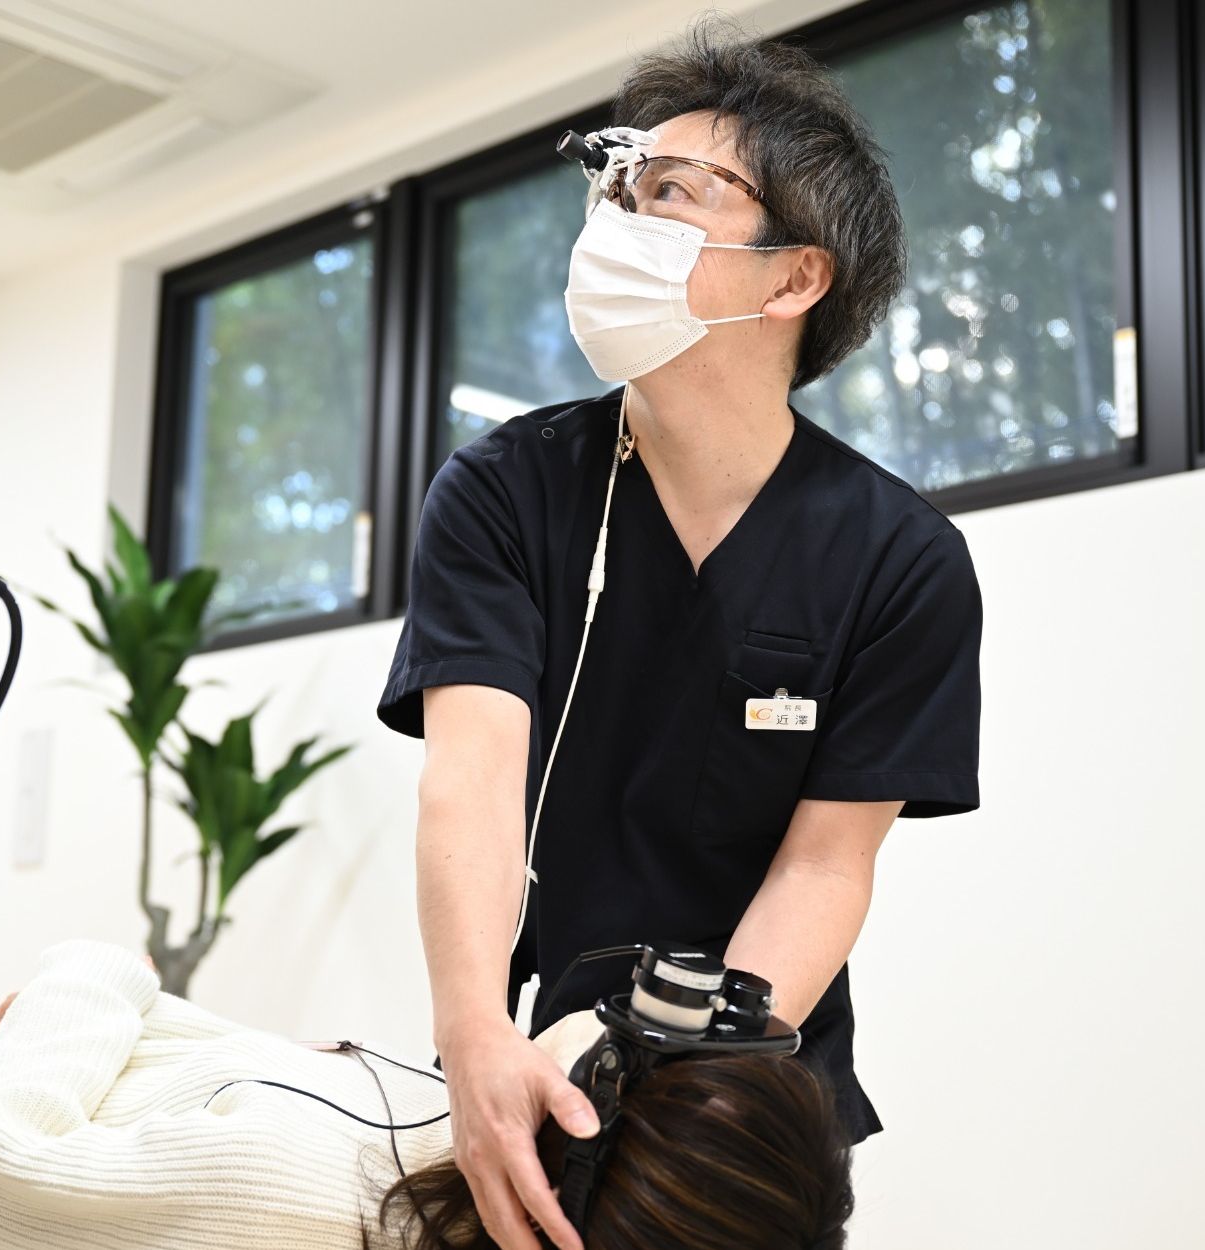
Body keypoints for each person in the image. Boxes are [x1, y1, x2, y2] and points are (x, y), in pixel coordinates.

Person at [377, 17, 983, 1250]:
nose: (614, 222)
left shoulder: (898, 561)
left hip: (750, 1113)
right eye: (616, 185)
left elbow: (825, 867)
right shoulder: (505, 491)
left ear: (792, 277)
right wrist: (475, 1043)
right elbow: (473, 788)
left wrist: (665, 1054)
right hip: (532, 1073)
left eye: (667, 193)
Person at [0, 941, 853, 1250]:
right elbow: (217, 1056)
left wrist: (92, 971)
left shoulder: (306, 1205)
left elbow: (17, 1155)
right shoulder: (449, 1141)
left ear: (600, 1106)